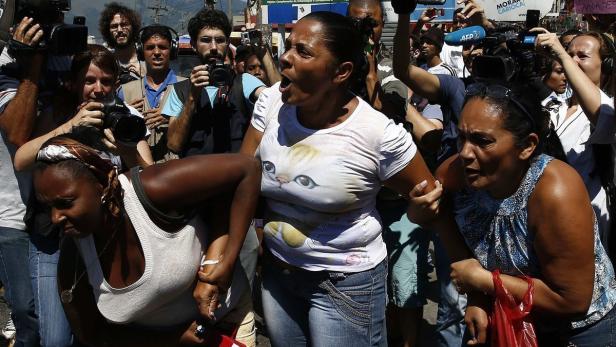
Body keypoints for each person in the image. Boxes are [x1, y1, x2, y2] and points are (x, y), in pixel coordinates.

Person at [240, 11, 444, 346]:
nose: (286, 58)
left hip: (346, 283)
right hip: (279, 275)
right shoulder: (271, 101)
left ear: (341, 72)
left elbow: (426, 195)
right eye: (288, 47)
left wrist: (420, 213)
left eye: (302, 52)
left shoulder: (376, 134)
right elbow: (244, 175)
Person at [411, 81, 616, 346]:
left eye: (482, 141)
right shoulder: (455, 176)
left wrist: (485, 282)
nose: (465, 153)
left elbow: (572, 300)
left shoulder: (555, 192)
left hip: (574, 332)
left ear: (527, 146)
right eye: (462, 137)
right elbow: (441, 220)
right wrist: (478, 296)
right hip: (506, 315)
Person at [31, 128, 261, 347]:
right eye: (48, 206)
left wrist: (224, 262)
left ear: (102, 183)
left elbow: (247, 169)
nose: (55, 218)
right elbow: (94, 335)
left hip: (226, 323)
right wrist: (171, 340)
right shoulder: (75, 259)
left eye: (65, 203)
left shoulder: (150, 190)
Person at [532, 28, 616, 261]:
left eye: (582, 56)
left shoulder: (609, 108)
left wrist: (560, 51)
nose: (571, 60)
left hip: (585, 230)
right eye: (569, 54)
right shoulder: (551, 104)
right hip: (540, 222)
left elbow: (604, 118)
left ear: (606, 66)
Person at [163, 8, 266, 157]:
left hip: (234, 176)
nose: (213, 47)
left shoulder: (243, 82)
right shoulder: (179, 90)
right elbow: (174, 145)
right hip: (195, 177)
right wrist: (192, 97)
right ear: (193, 44)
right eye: (205, 40)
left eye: (219, 40)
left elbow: (280, 100)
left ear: (227, 43)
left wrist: (264, 54)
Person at [0, 16, 46, 347]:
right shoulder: (5, 61)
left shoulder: (67, 54)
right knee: (25, 308)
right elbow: (17, 132)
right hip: (12, 209)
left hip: (54, 211)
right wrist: (32, 67)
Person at [118, 25, 185, 163]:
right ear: (141, 52)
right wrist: (126, 117)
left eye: (162, 47)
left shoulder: (186, 87)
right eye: (150, 48)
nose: (156, 52)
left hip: (177, 169)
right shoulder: (124, 91)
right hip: (138, 170)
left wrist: (174, 119)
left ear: (171, 50)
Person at [98, 2, 144, 83]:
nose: (119, 30)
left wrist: (147, 78)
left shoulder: (147, 61)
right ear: (107, 31)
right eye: (114, 26)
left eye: (124, 24)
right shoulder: (105, 62)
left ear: (133, 27)